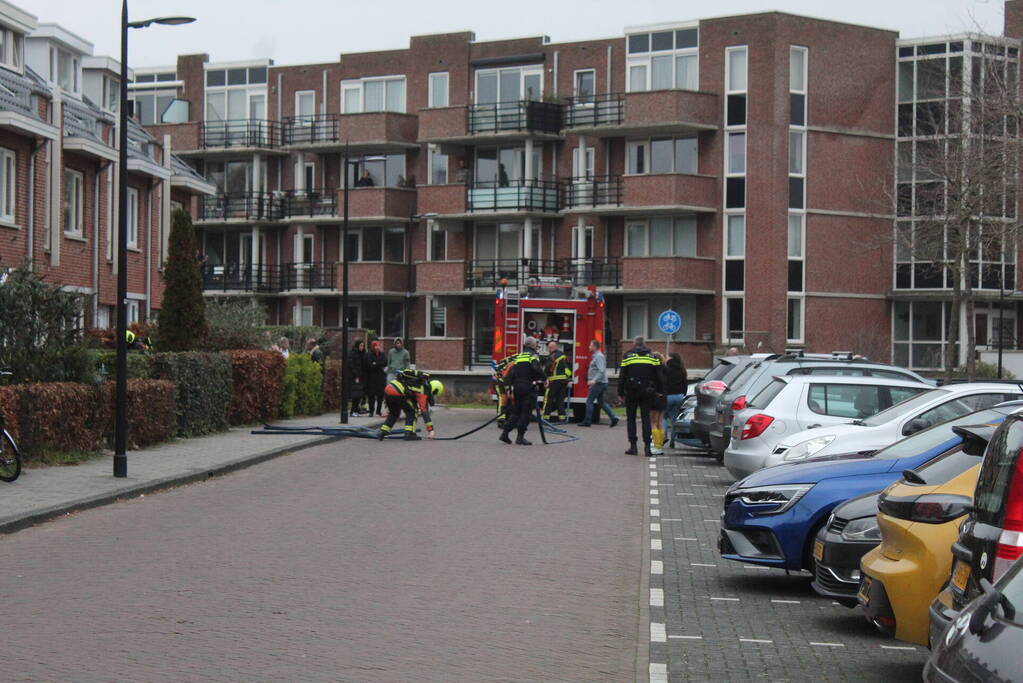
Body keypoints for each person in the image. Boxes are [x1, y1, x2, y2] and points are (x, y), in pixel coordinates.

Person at [617, 336, 663, 457]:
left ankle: (633, 446)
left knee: (631, 418)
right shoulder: (653, 357)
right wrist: (659, 391)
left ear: (634, 344)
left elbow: (622, 377)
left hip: (631, 391)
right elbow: (659, 376)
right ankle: (647, 447)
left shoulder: (627, 356)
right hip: (647, 392)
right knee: (646, 419)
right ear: (644, 344)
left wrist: (620, 393)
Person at [499, 336, 545, 446]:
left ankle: (505, 433)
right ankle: (520, 437)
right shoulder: (533, 356)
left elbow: (511, 374)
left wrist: (509, 388)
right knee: (526, 413)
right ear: (533, 345)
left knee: (516, 412)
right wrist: (544, 378)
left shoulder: (519, 356)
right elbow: (537, 369)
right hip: (528, 388)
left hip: (517, 388)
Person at [377, 369, 443, 441]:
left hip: (388, 389)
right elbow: (424, 410)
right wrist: (431, 430)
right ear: (434, 390)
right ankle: (409, 434)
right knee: (412, 411)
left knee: (394, 413)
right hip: (398, 392)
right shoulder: (423, 390)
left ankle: (383, 432)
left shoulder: (417, 382)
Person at [579, 339, 618, 428]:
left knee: (589, 401)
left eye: (590, 345)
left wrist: (594, 380)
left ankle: (587, 421)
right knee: (601, 402)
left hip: (598, 383)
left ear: (595, 347)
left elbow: (601, 370)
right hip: (601, 383)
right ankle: (613, 417)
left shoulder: (599, 356)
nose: (589, 347)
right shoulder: (597, 356)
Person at [542, 341, 572, 423]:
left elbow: (548, 368)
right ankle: (562, 418)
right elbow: (569, 370)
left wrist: (544, 376)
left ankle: (545, 418)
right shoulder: (563, 356)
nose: (549, 349)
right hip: (563, 382)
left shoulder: (552, 356)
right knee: (560, 400)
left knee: (549, 399)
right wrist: (566, 377)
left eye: (549, 348)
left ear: (552, 348)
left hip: (553, 381)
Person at [648, 352, 669, 455]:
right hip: (664, 397)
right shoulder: (665, 369)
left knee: (653, 422)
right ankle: (659, 446)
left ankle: (656, 446)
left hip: (655, 397)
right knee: (660, 422)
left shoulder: (654, 371)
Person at [663, 352, 688, 437]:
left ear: (671, 358)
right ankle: (673, 439)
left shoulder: (666, 369)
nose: (665, 358)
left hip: (668, 396)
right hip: (679, 396)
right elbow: (685, 384)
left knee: (663, 417)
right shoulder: (682, 369)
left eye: (667, 357)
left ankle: (664, 436)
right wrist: (683, 394)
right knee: (674, 418)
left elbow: (663, 382)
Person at [365, 339, 388, 417]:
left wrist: (376, 364)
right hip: (372, 378)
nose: (377, 347)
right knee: (371, 395)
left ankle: (378, 411)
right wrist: (378, 364)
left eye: (378, 345)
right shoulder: (369, 354)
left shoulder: (382, 354)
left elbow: (385, 362)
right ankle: (371, 411)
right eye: (376, 346)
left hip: (380, 378)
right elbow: (369, 365)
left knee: (380, 395)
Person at [491, 354, 515, 428]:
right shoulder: (513, 364)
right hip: (499, 381)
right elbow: (505, 378)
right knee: (503, 399)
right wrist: (508, 389)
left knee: (511, 399)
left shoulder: (517, 360)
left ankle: (510, 419)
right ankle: (501, 420)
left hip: (505, 381)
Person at [346, 340, 367, 416]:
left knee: (359, 395)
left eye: (363, 346)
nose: (362, 347)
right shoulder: (353, 354)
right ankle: (353, 411)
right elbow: (351, 366)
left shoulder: (363, 354)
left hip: (361, 376)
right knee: (355, 395)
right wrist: (356, 375)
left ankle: (356, 410)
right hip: (354, 377)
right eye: (361, 345)